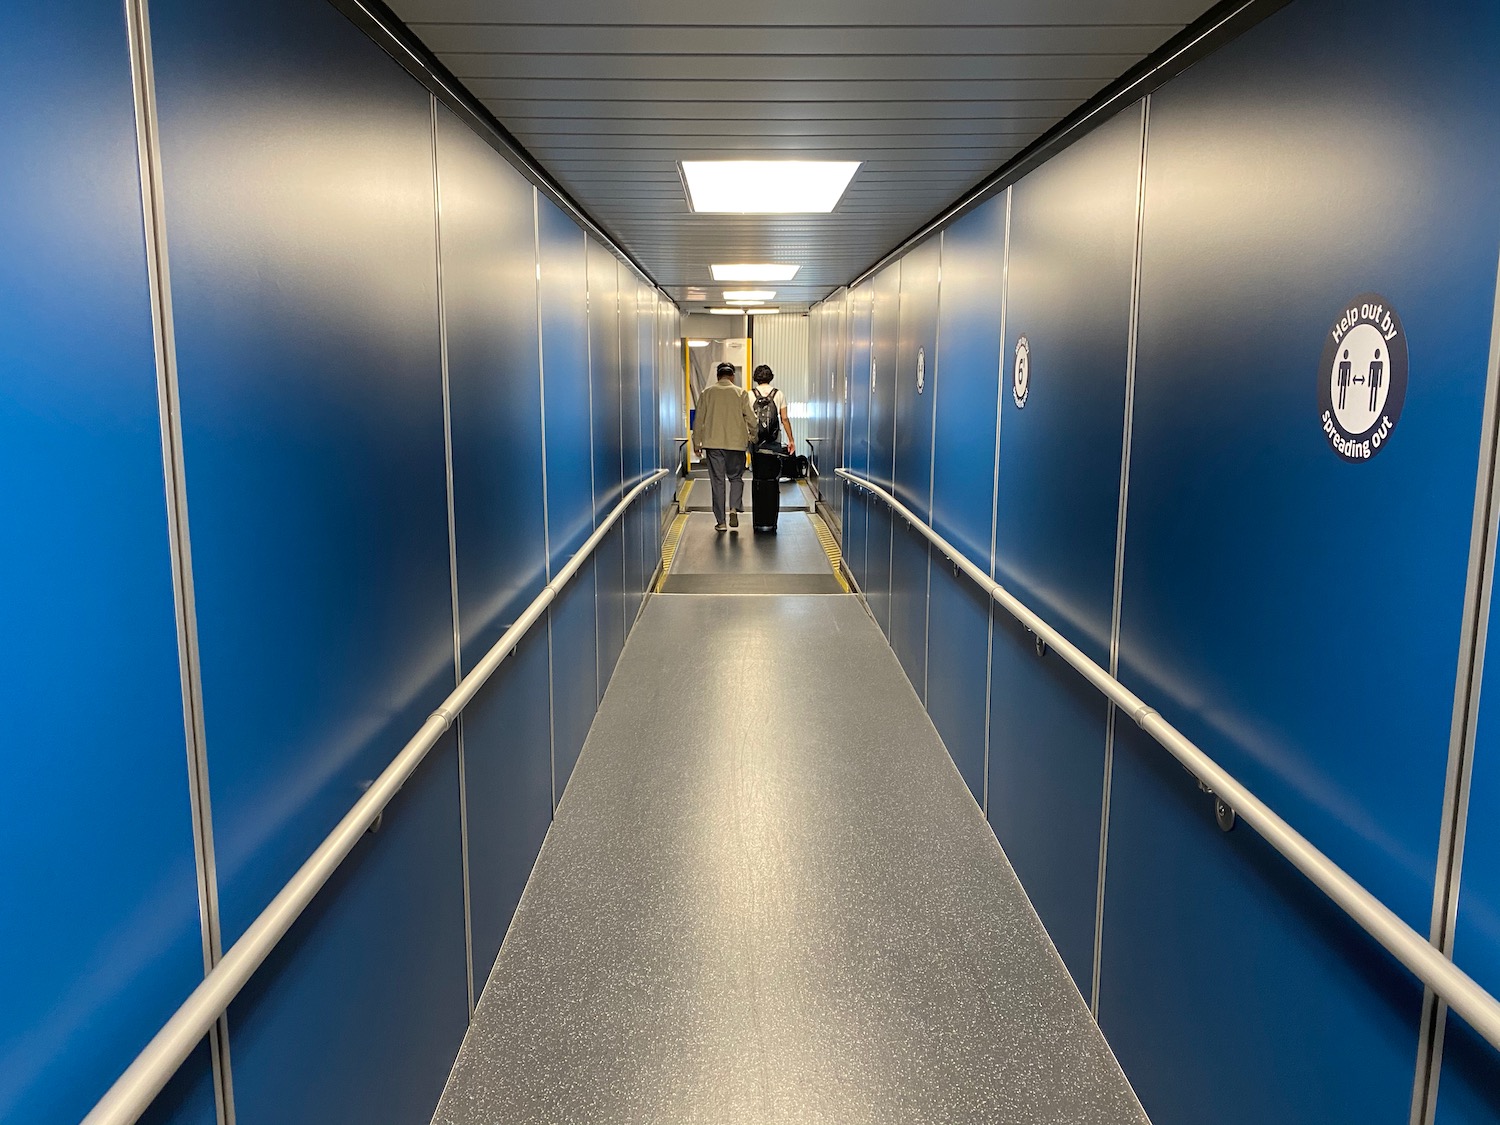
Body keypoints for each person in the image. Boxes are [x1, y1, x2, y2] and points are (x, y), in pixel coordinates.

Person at [692, 360, 757, 532]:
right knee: (735, 478)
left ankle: (721, 522)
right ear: (732, 376)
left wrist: (696, 442)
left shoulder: (707, 393)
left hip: (714, 445)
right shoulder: (740, 393)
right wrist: (753, 437)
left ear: (717, 376)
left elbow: (698, 420)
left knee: (717, 482)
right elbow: (751, 419)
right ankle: (734, 507)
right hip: (736, 444)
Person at [750, 364, 795, 456]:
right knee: (774, 465)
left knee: (757, 466)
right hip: (774, 437)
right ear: (771, 377)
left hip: (755, 438)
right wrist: (791, 440)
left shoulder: (749, 394)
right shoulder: (778, 394)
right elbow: (784, 419)